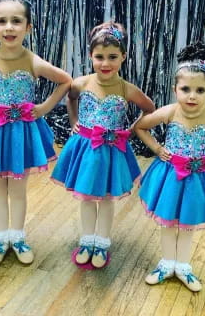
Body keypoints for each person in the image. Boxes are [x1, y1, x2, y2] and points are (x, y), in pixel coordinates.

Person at [0, 0, 72, 266]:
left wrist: (44, 108)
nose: (9, 27)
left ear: (28, 27)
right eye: (2, 21)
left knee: (18, 189)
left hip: (22, 132)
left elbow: (65, 81)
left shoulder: (33, 61)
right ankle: (1, 238)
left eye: (16, 21)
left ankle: (18, 237)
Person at [135, 41, 205, 291]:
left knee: (187, 223)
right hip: (169, 176)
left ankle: (183, 266)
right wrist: (156, 148)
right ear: (175, 89)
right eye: (185, 88)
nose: (192, 96)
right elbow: (140, 127)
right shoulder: (170, 111)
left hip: (197, 178)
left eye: (200, 90)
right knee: (167, 222)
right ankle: (166, 264)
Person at [51, 22, 155, 269]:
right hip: (85, 148)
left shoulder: (126, 88)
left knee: (107, 198)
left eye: (112, 57)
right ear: (90, 56)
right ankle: (87, 240)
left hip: (111, 152)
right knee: (87, 197)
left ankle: (102, 242)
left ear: (123, 57)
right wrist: (75, 121)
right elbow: (71, 99)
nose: (105, 63)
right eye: (99, 57)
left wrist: (131, 131)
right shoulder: (81, 83)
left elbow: (149, 109)